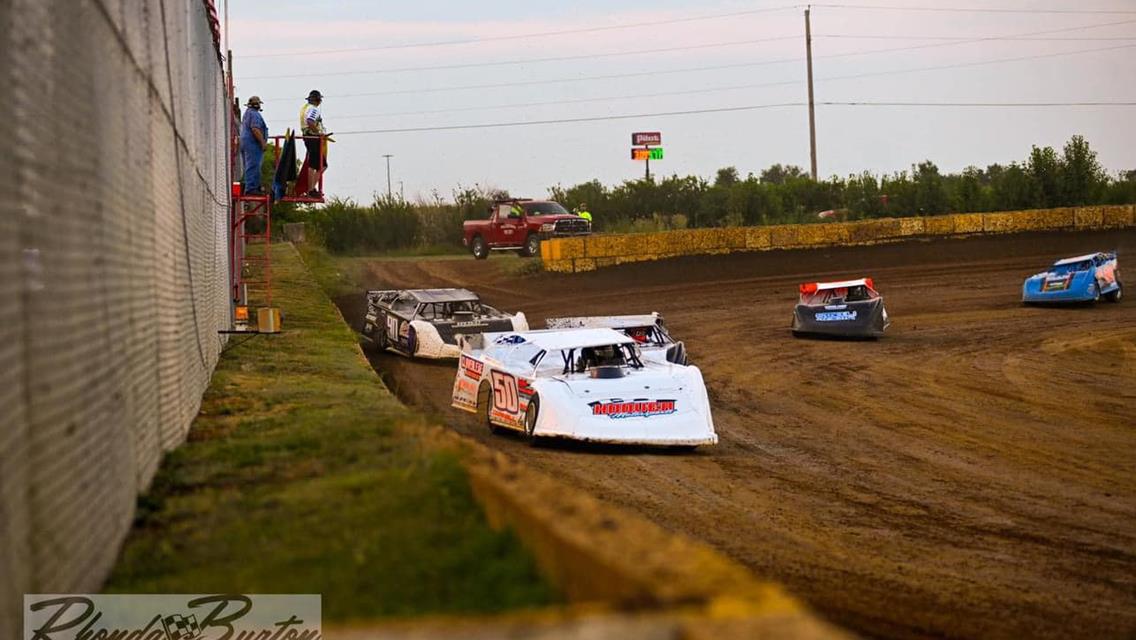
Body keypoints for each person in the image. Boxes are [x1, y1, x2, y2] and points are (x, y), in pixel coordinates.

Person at [239, 96, 268, 195]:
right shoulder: (255, 114)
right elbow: (255, 129)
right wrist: (262, 142)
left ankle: (250, 185)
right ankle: (251, 188)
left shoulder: (247, 113)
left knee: (249, 166)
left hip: (245, 143)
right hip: (253, 144)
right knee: (253, 165)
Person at [300, 89, 326, 197]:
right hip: (313, 137)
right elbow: (310, 121)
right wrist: (318, 132)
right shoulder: (314, 109)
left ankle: (311, 188)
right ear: (318, 100)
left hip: (307, 136)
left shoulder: (304, 108)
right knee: (318, 165)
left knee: (318, 164)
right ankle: (311, 189)